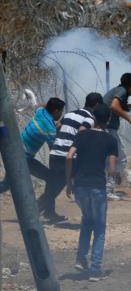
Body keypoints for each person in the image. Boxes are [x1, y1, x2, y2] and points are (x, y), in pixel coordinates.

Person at [65, 104, 117, 281]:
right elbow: (111, 169)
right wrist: (117, 177)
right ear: (108, 120)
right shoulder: (110, 140)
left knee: (87, 221)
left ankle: (80, 259)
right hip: (97, 187)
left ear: (94, 118)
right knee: (100, 228)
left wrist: (68, 182)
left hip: (80, 186)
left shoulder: (81, 135)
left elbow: (69, 156)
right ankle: (95, 270)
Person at [41, 93, 102, 223]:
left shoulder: (70, 114)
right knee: (59, 186)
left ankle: (48, 212)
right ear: (96, 105)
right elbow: (81, 132)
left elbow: (57, 127)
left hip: (56, 152)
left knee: (52, 185)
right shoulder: (90, 118)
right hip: (68, 155)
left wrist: (60, 141)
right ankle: (32, 211)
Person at [0, 98, 65, 197]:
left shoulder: (41, 112)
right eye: (61, 111)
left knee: (7, 184)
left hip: (16, 152)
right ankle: (42, 207)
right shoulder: (50, 128)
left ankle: (42, 208)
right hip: (24, 159)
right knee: (51, 178)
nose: (61, 114)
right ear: (56, 111)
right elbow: (53, 150)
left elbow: (41, 106)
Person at [103, 73, 131, 197]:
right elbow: (113, 105)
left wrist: (124, 107)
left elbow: (113, 105)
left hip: (105, 128)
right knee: (120, 159)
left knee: (107, 159)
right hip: (109, 130)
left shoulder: (117, 90)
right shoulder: (122, 91)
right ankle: (108, 188)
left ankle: (104, 186)